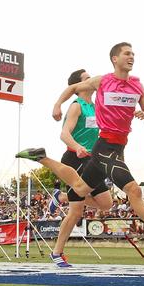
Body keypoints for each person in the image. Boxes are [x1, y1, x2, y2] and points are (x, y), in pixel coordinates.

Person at [16, 42, 144, 252]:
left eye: (133, 54)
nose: (132, 57)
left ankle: (42, 157)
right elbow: (73, 88)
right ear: (114, 59)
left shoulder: (137, 85)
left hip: (118, 148)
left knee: (80, 189)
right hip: (104, 147)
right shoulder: (102, 81)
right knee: (134, 190)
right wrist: (57, 105)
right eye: (127, 53)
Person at [47, 69, 114, 267]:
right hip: (74, 159)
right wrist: (78, 147)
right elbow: (64, 134)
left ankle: (61, 197)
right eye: (87, 78)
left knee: (106, 203)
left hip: (93, 160)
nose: (92, 80)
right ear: (79, 86)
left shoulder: (96, 107)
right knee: (76, 212)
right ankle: (57, 253)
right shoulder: (76, 106)